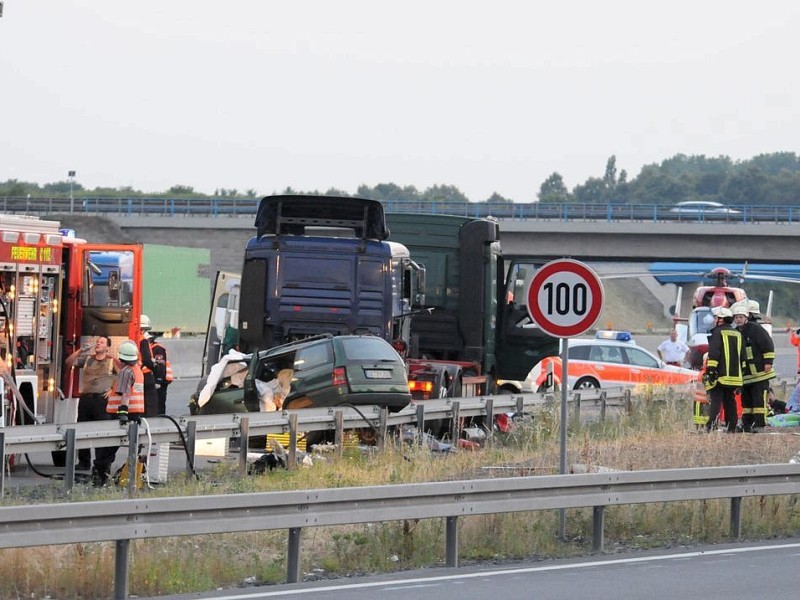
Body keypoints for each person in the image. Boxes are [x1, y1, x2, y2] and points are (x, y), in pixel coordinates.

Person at [64, 336, 117, 472]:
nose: (98, 344)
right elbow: (68, 362)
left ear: (107, 347)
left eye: (102, 342)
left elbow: (125, 376)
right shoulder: (87, 359)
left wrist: (113, 390)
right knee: (82, 430)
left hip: (101, 401)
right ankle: (84, 462)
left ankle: (100, 464)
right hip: (86, 399)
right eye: (97, 342)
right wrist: (80, 350)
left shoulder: (112, 361)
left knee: (102, 432)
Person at [102, 339, 145, 486]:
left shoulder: (125, 373)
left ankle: (100, 477)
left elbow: (125, 395)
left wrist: (122, 413)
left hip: (121, 414)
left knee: (107, 449)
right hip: (136, 414)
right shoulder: (137, 370)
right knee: (133, 448)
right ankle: (129, 478)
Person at [732, 300, 775, 431]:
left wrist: (768, 362)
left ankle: (760, 424)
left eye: (741, 317)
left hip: (760, 373)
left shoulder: (756, 329)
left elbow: (768, 345)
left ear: (746, 317)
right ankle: (747, 424)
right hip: (746, 375)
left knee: (758, 400)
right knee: (747, 402)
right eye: (736, 317)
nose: (738, 320)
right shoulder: (736, 332)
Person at [704, 306, 744, 433]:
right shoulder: (738, 333)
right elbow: (743, 357)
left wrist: (710, 371)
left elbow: (714, 353)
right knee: (729, 401)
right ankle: (731, 426)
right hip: (735, 377)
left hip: (720, 375)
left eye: (716, 318)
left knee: (716, 400)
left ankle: (711, 426)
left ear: (721, 320)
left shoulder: (717, 332)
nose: (714, 320)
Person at [138, 314, 159, 417]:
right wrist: (155, 368)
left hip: (137, 374)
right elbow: (146, 359)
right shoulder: (142, 340)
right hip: (146, 376)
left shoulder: (132, 339)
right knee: (150, 404)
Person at [149, 333, 173, 415]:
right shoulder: (151, 348)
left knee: (159, 404)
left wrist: (158, 381)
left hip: (160, 381)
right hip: (158, 379)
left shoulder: (157, 349)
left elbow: (160, 365)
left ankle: (160, 420)